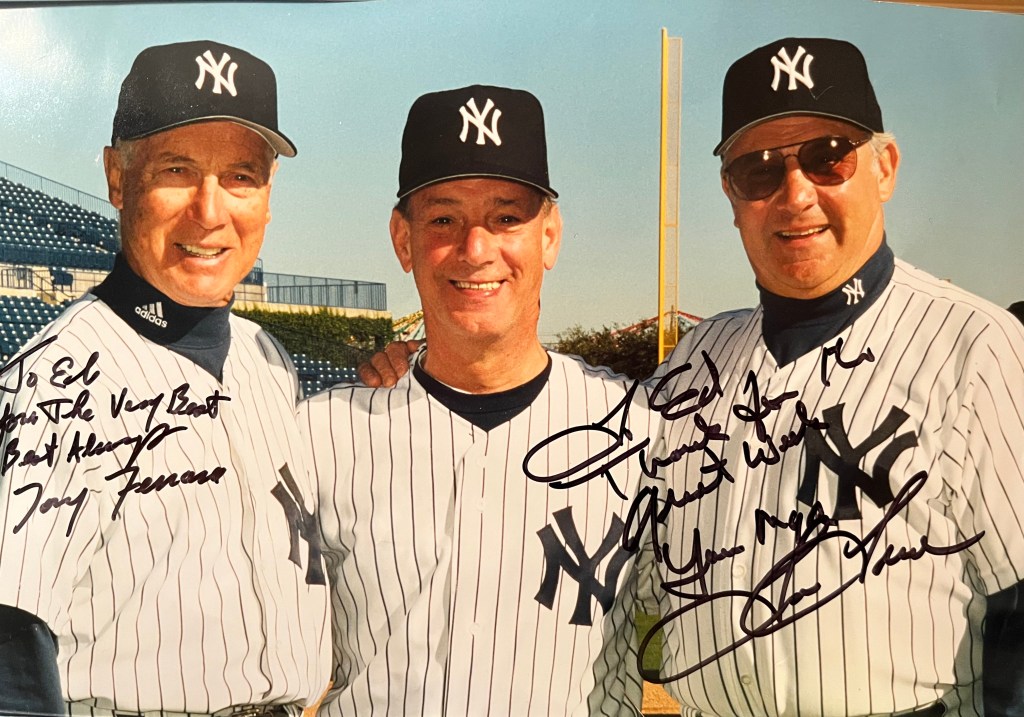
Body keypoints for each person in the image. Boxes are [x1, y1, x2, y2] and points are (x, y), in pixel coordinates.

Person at [636, 37, 1024, 717]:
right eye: (758, 170)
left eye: (828, 157)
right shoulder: (695, 358)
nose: (795, 194)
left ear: (885, 167)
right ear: (731, 193)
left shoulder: (976, 346)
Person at [299, 84, 661, 715]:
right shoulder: (321, 433)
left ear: (549, 237)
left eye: (506, 218)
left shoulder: (645, 430)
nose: (475, 249)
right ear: (403, 239)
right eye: (443, 220)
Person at [0, 40, 330, 716]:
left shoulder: (267, 359)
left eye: (240, 176)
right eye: (177, 170)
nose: (209, 211)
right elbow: (11, 660)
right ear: (117, 178)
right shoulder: (51, 384)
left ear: (268, 195)